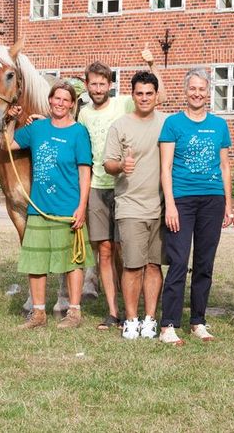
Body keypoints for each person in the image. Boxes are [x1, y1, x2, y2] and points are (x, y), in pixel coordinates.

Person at [78, 50, 164, 331]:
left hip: (128, 190)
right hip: (98, 186)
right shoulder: (84, 114)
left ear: (111, 85)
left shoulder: (124, 105)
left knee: (128, 251)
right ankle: (114, 312)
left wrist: (151, 65)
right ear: (87, 85)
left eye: (103, 84)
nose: (98, 88)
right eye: (93, 84)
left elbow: (154, 96)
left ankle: (140, 312)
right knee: (104, 250)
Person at [4, 81, 94, 330]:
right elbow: (8, 145)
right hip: (40, 209)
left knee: (72, 262)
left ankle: (74, 312)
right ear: (50, 101)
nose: (60, 103)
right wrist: (11, 119)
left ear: (72, 104)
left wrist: (82, 206)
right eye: (57, 99)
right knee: (36, 261)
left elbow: (85, 172)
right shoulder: (37, 128)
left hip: (68, 208)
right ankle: (38, 314)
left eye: (66, 100)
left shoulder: (78, 133)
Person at [158, 68, 232, 345]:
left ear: (208, 92)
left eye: (202, 89)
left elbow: (225, 166)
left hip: (212, 200)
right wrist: (170, 205)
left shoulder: (219, 125)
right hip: (183, 200)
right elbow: (165, 168)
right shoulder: (173, 124)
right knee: (178, 262)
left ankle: (198, 321)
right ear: (185, 91)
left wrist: (227, 203)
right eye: (193, 89)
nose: (197, 93)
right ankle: (168, 325)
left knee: (204, 263)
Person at [103, 71, 167, 340]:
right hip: (129, 205)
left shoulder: (168, 123)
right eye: (139, 93)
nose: (144, 98)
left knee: (154, 265)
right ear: (133, 95)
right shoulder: (120, 126)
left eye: (149, 93)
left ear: (156, 96)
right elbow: (108, 164)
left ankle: (150, 318)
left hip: (162, 206)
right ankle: (131, 318)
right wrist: (121, 166)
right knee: (131, 266)